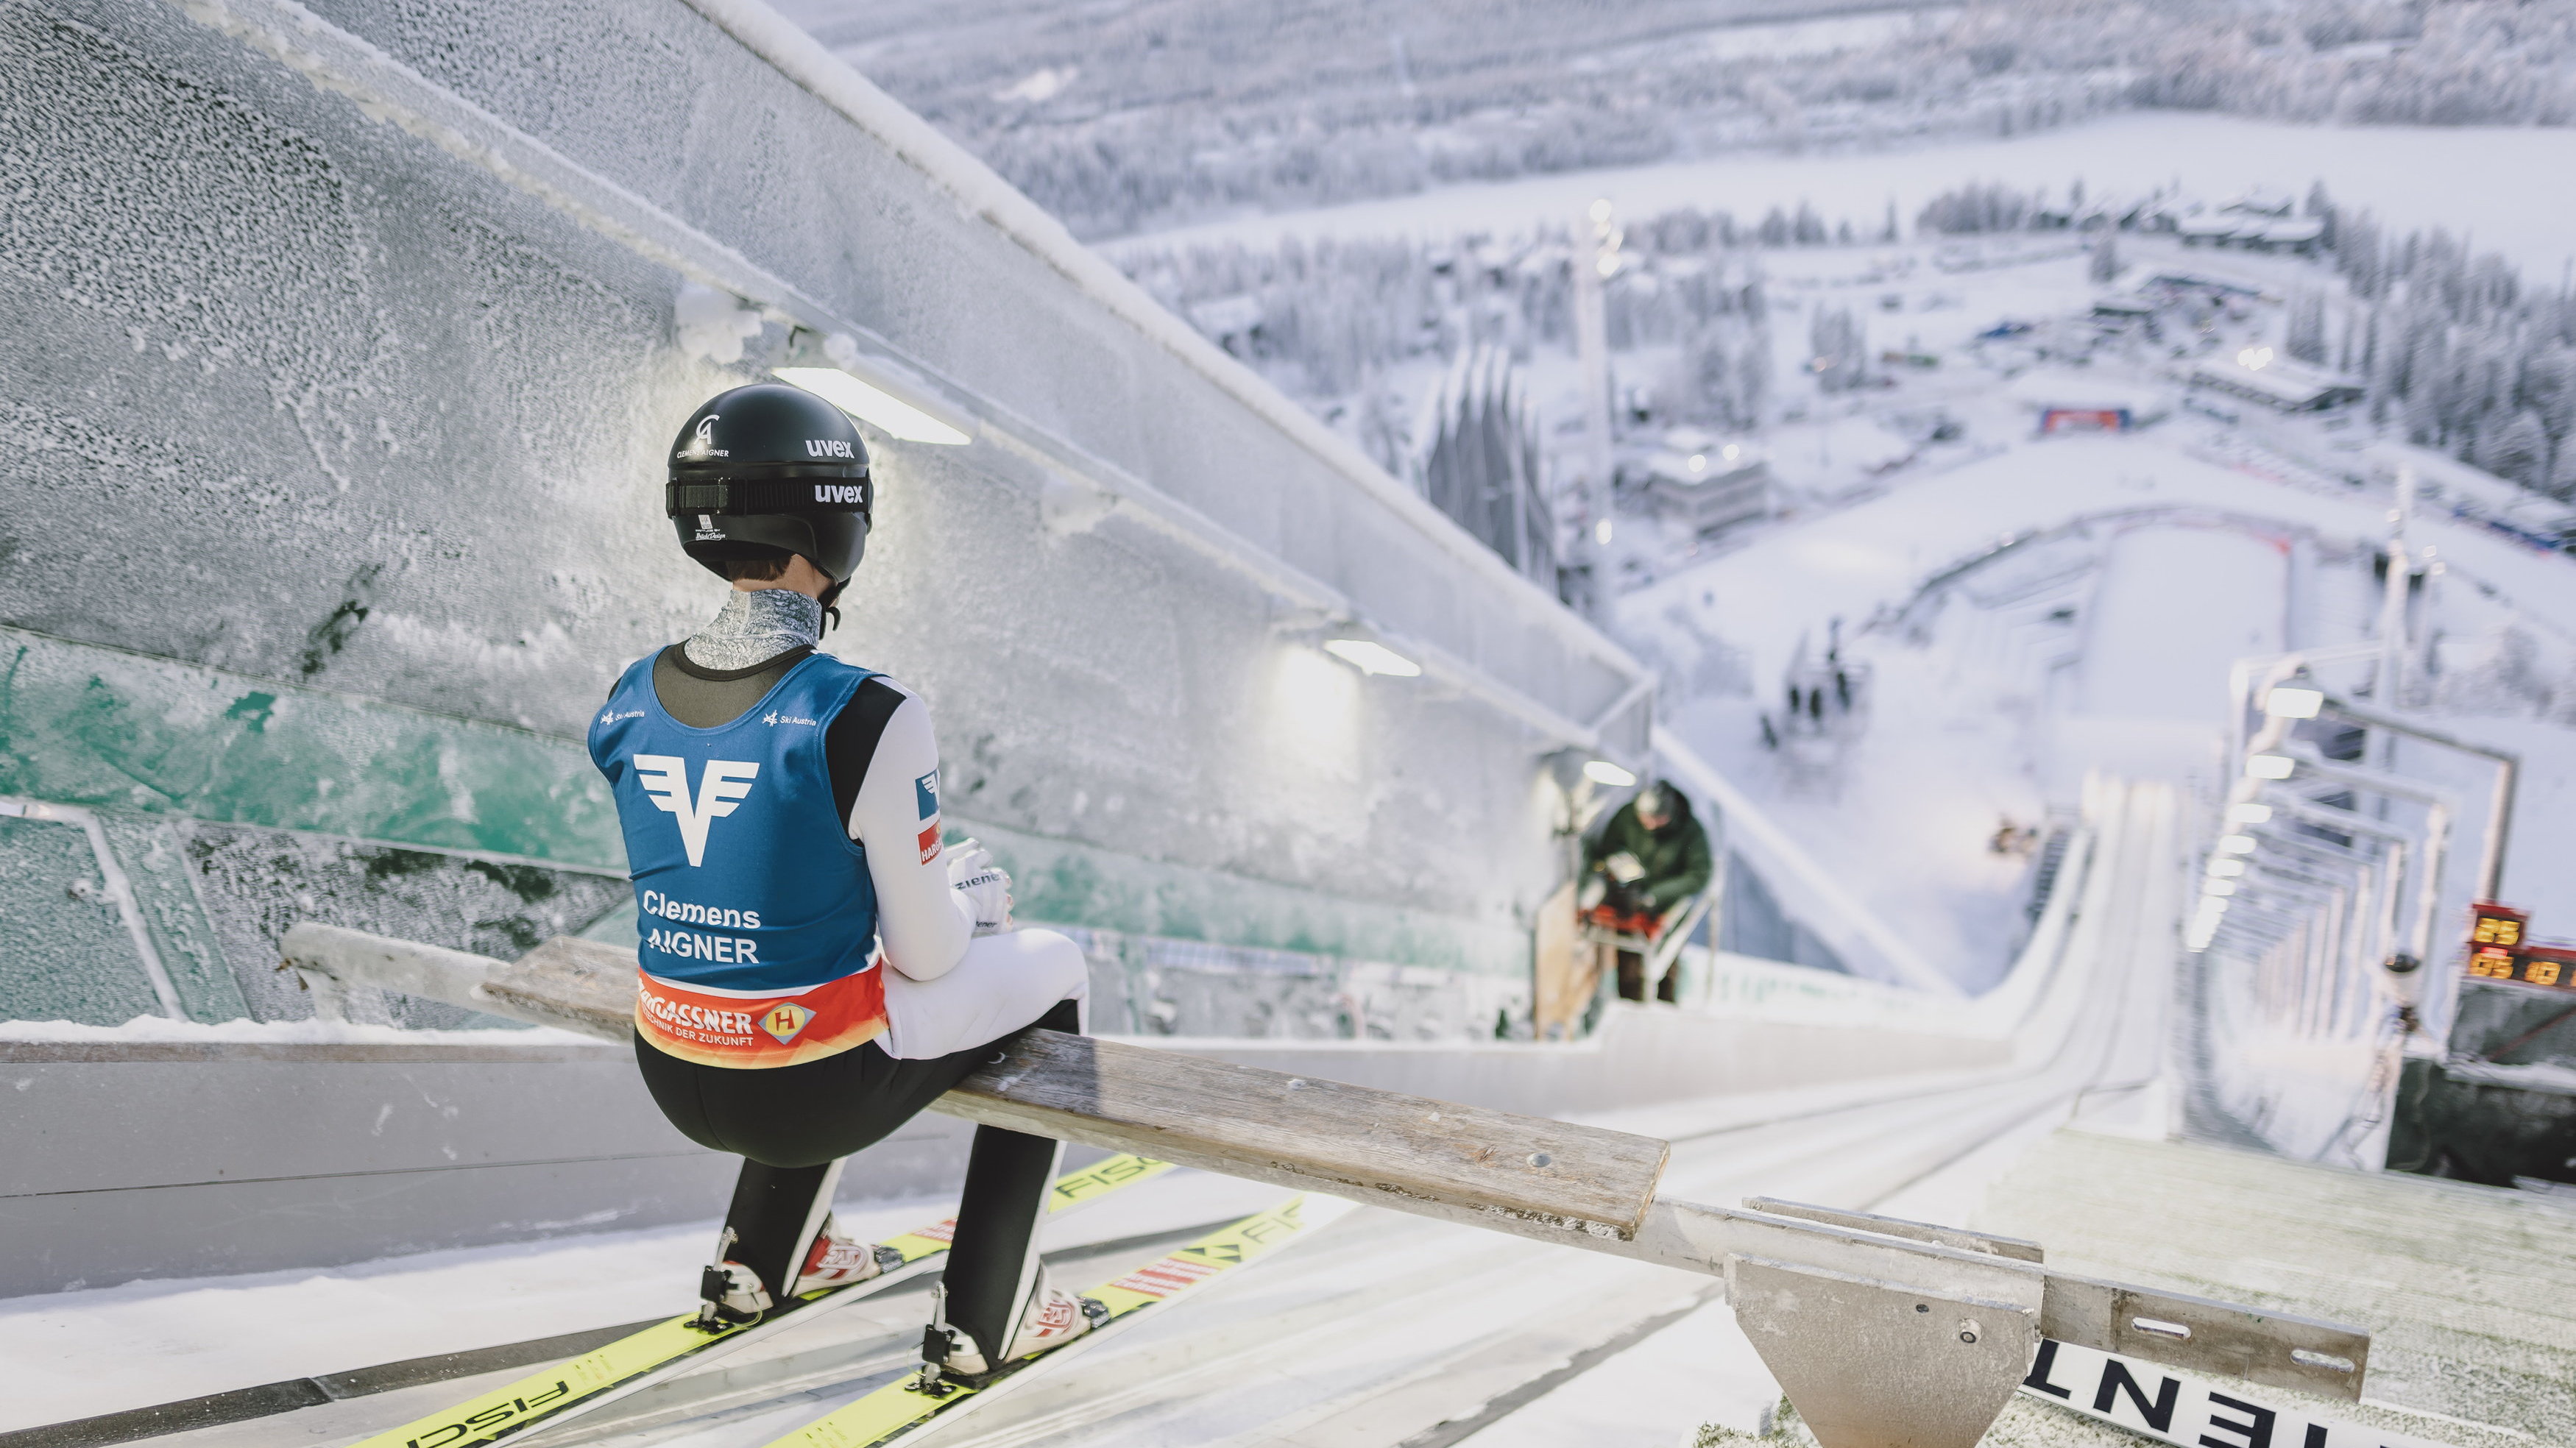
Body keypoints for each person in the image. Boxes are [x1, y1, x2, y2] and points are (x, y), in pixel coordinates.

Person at [588, 382, 1098, 1389]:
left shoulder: (627, 696)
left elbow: (757, 882)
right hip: (809, 1092)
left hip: (674, 1068)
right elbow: (928, 954)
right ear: (835, 519)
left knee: (813, 969)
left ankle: (767, 1259)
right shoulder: (864, 712)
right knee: (1058, 965)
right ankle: (995, 1304)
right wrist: (975, 900)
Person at [1579, 781, 1713, 1004]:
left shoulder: (1690, 831)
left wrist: (1655, 896)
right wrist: (1623, 873)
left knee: (1665, 957)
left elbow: (1698, 875)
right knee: (1628, 957)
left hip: (1666, 901)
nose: (1649, 825)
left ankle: (1664, 1004)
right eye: (1645, 819)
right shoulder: (1627, 817)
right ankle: (1630, 1004)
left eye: (1656, 820)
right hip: (1628, 895)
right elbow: (1608, 849)